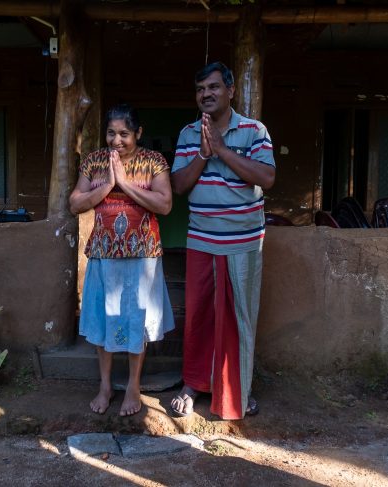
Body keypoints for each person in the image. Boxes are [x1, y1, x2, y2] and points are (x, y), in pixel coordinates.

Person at [169, 62, 276, 420]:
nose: (206, 94)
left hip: (244, 241)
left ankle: (238, 390)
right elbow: (180, 186)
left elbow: (266, 177)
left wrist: (222, 150)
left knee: (238, 318)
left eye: (213, 87)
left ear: (230, 91)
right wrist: (203, 152)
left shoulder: (254, 131)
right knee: (198, 316)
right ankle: (193, 383)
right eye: (200, 89)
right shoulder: (187, 133)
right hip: (201, 238)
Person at [69, 104, 175, 417]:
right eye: (111, 133)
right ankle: (104, 385)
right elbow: (75, 202)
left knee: (134, 319)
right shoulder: (93, 161)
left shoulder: (154, 161)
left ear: (138, 134)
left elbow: (165, 204)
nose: (117, 140)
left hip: (142, 255)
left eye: (124, 134)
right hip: (104, 253)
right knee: (105, 319)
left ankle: (132, 385)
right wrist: (106, 185)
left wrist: (125, 183)